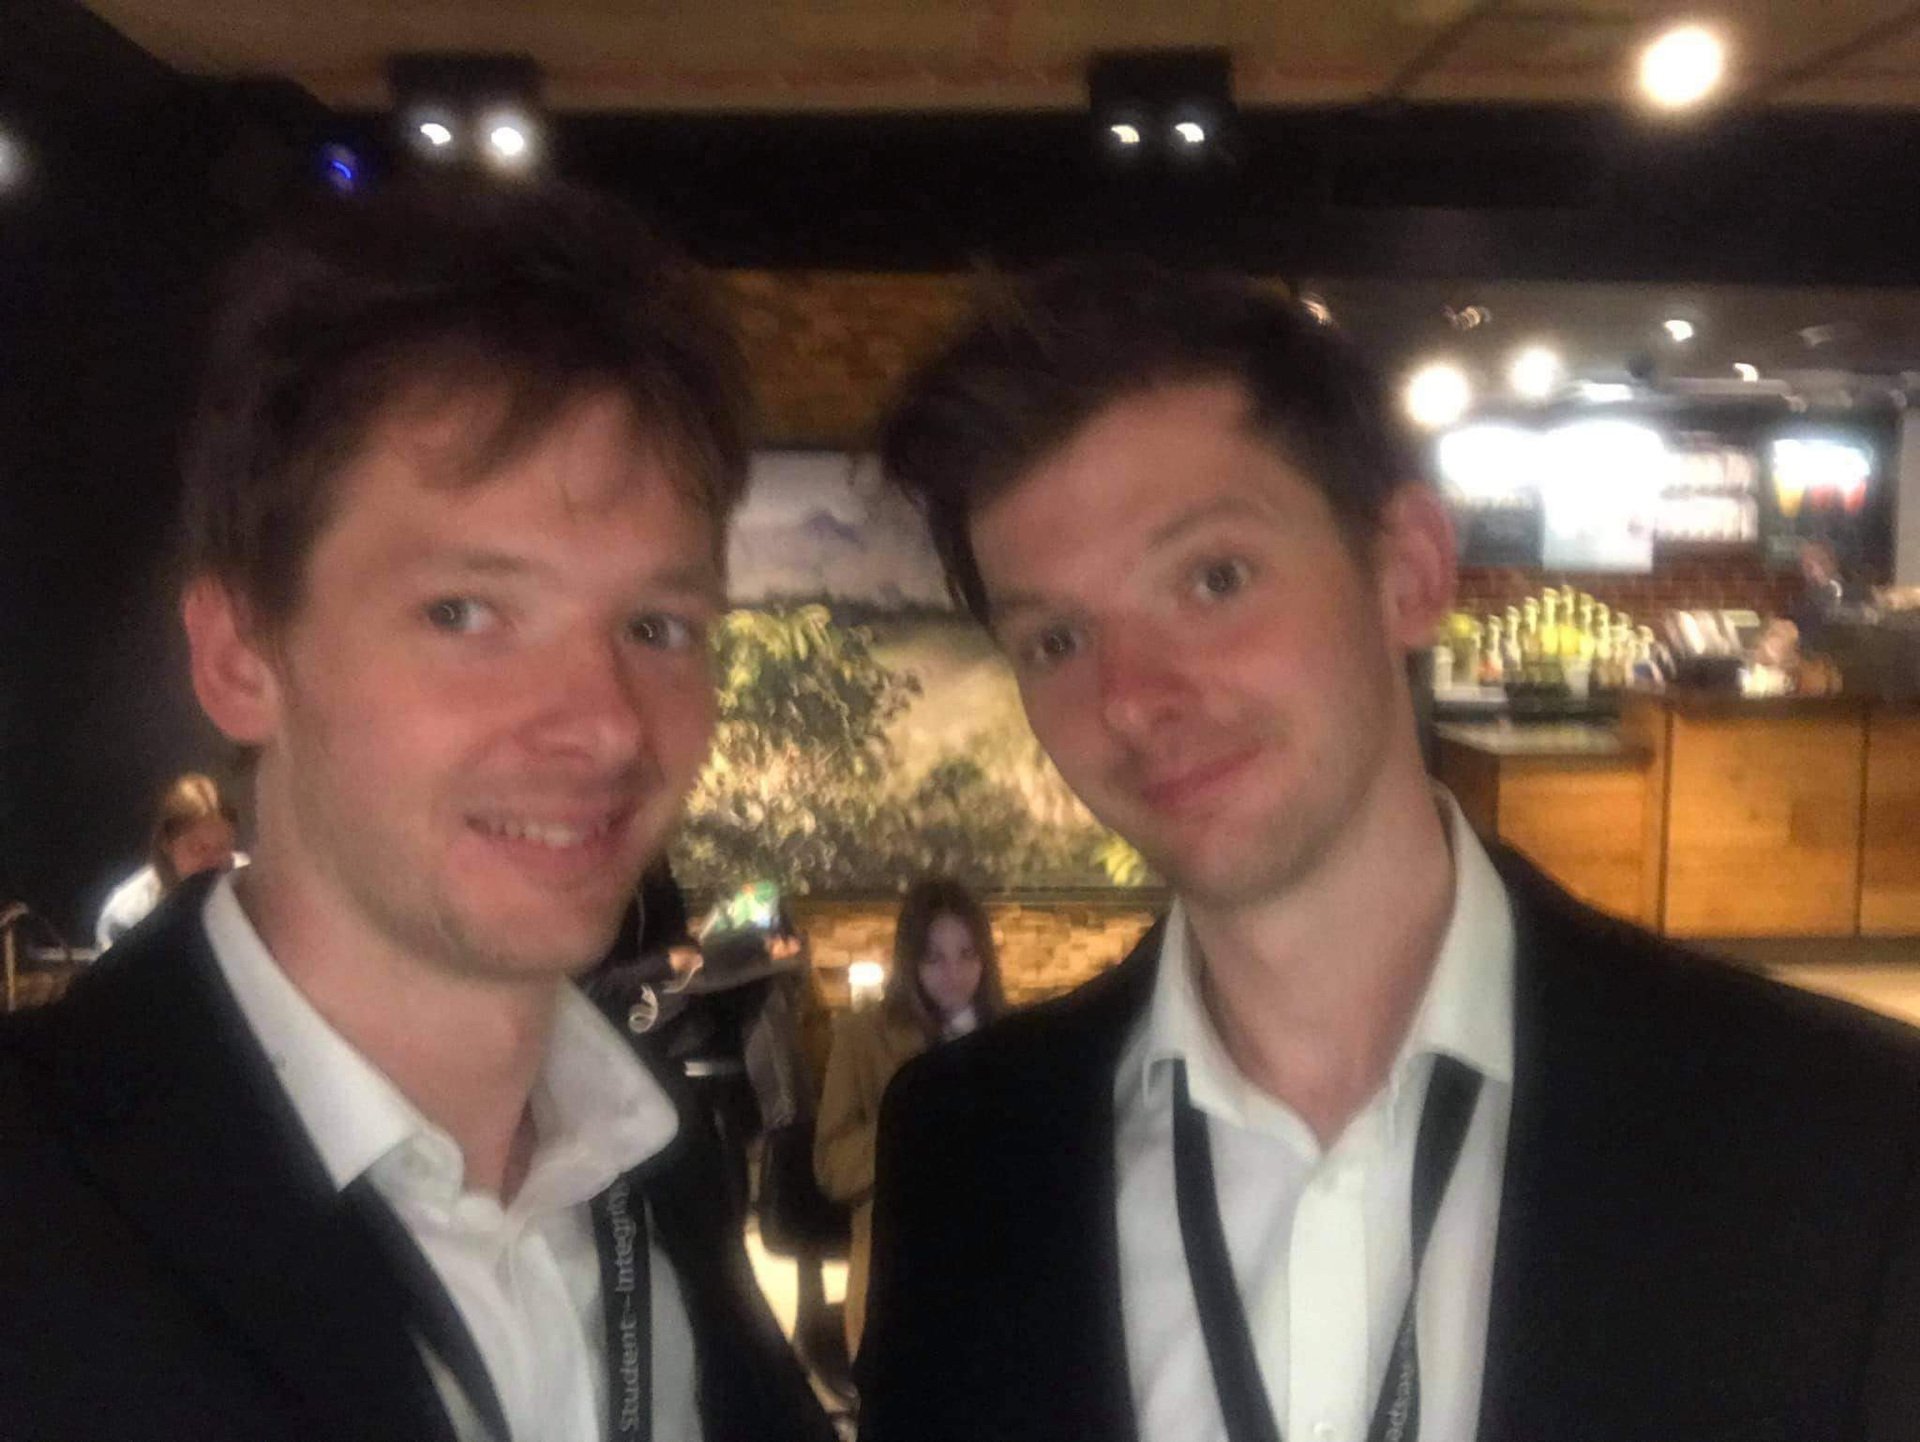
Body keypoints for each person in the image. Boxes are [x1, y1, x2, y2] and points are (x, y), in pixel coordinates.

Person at [856, 261, 1920, 1442]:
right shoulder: (964, 1155)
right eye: (1057, 637)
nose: (1135, 699)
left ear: (1408, 570)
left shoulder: (1840, 1140)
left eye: (1214, 578)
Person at [0, 177, 832, 1442]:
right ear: (240, 656)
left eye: (657, 626)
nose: (607, 721)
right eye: (467, 612)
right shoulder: (39, 1196)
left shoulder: (654, 1170)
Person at [813, 876, 1005, 1358]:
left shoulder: (1011, 1038)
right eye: (933, 956)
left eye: (967, 954)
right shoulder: (863, 1037)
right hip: (899, 1255)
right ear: (910, 961)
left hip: (993, 1244)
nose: (953, 973)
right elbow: (833, 1166)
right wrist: (913, 1128)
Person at [95, 771, 246, 951]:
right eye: (198, 849)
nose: (213, 862)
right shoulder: (127, 916)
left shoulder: (257, 890)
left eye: (222, 847)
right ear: (167, 844)